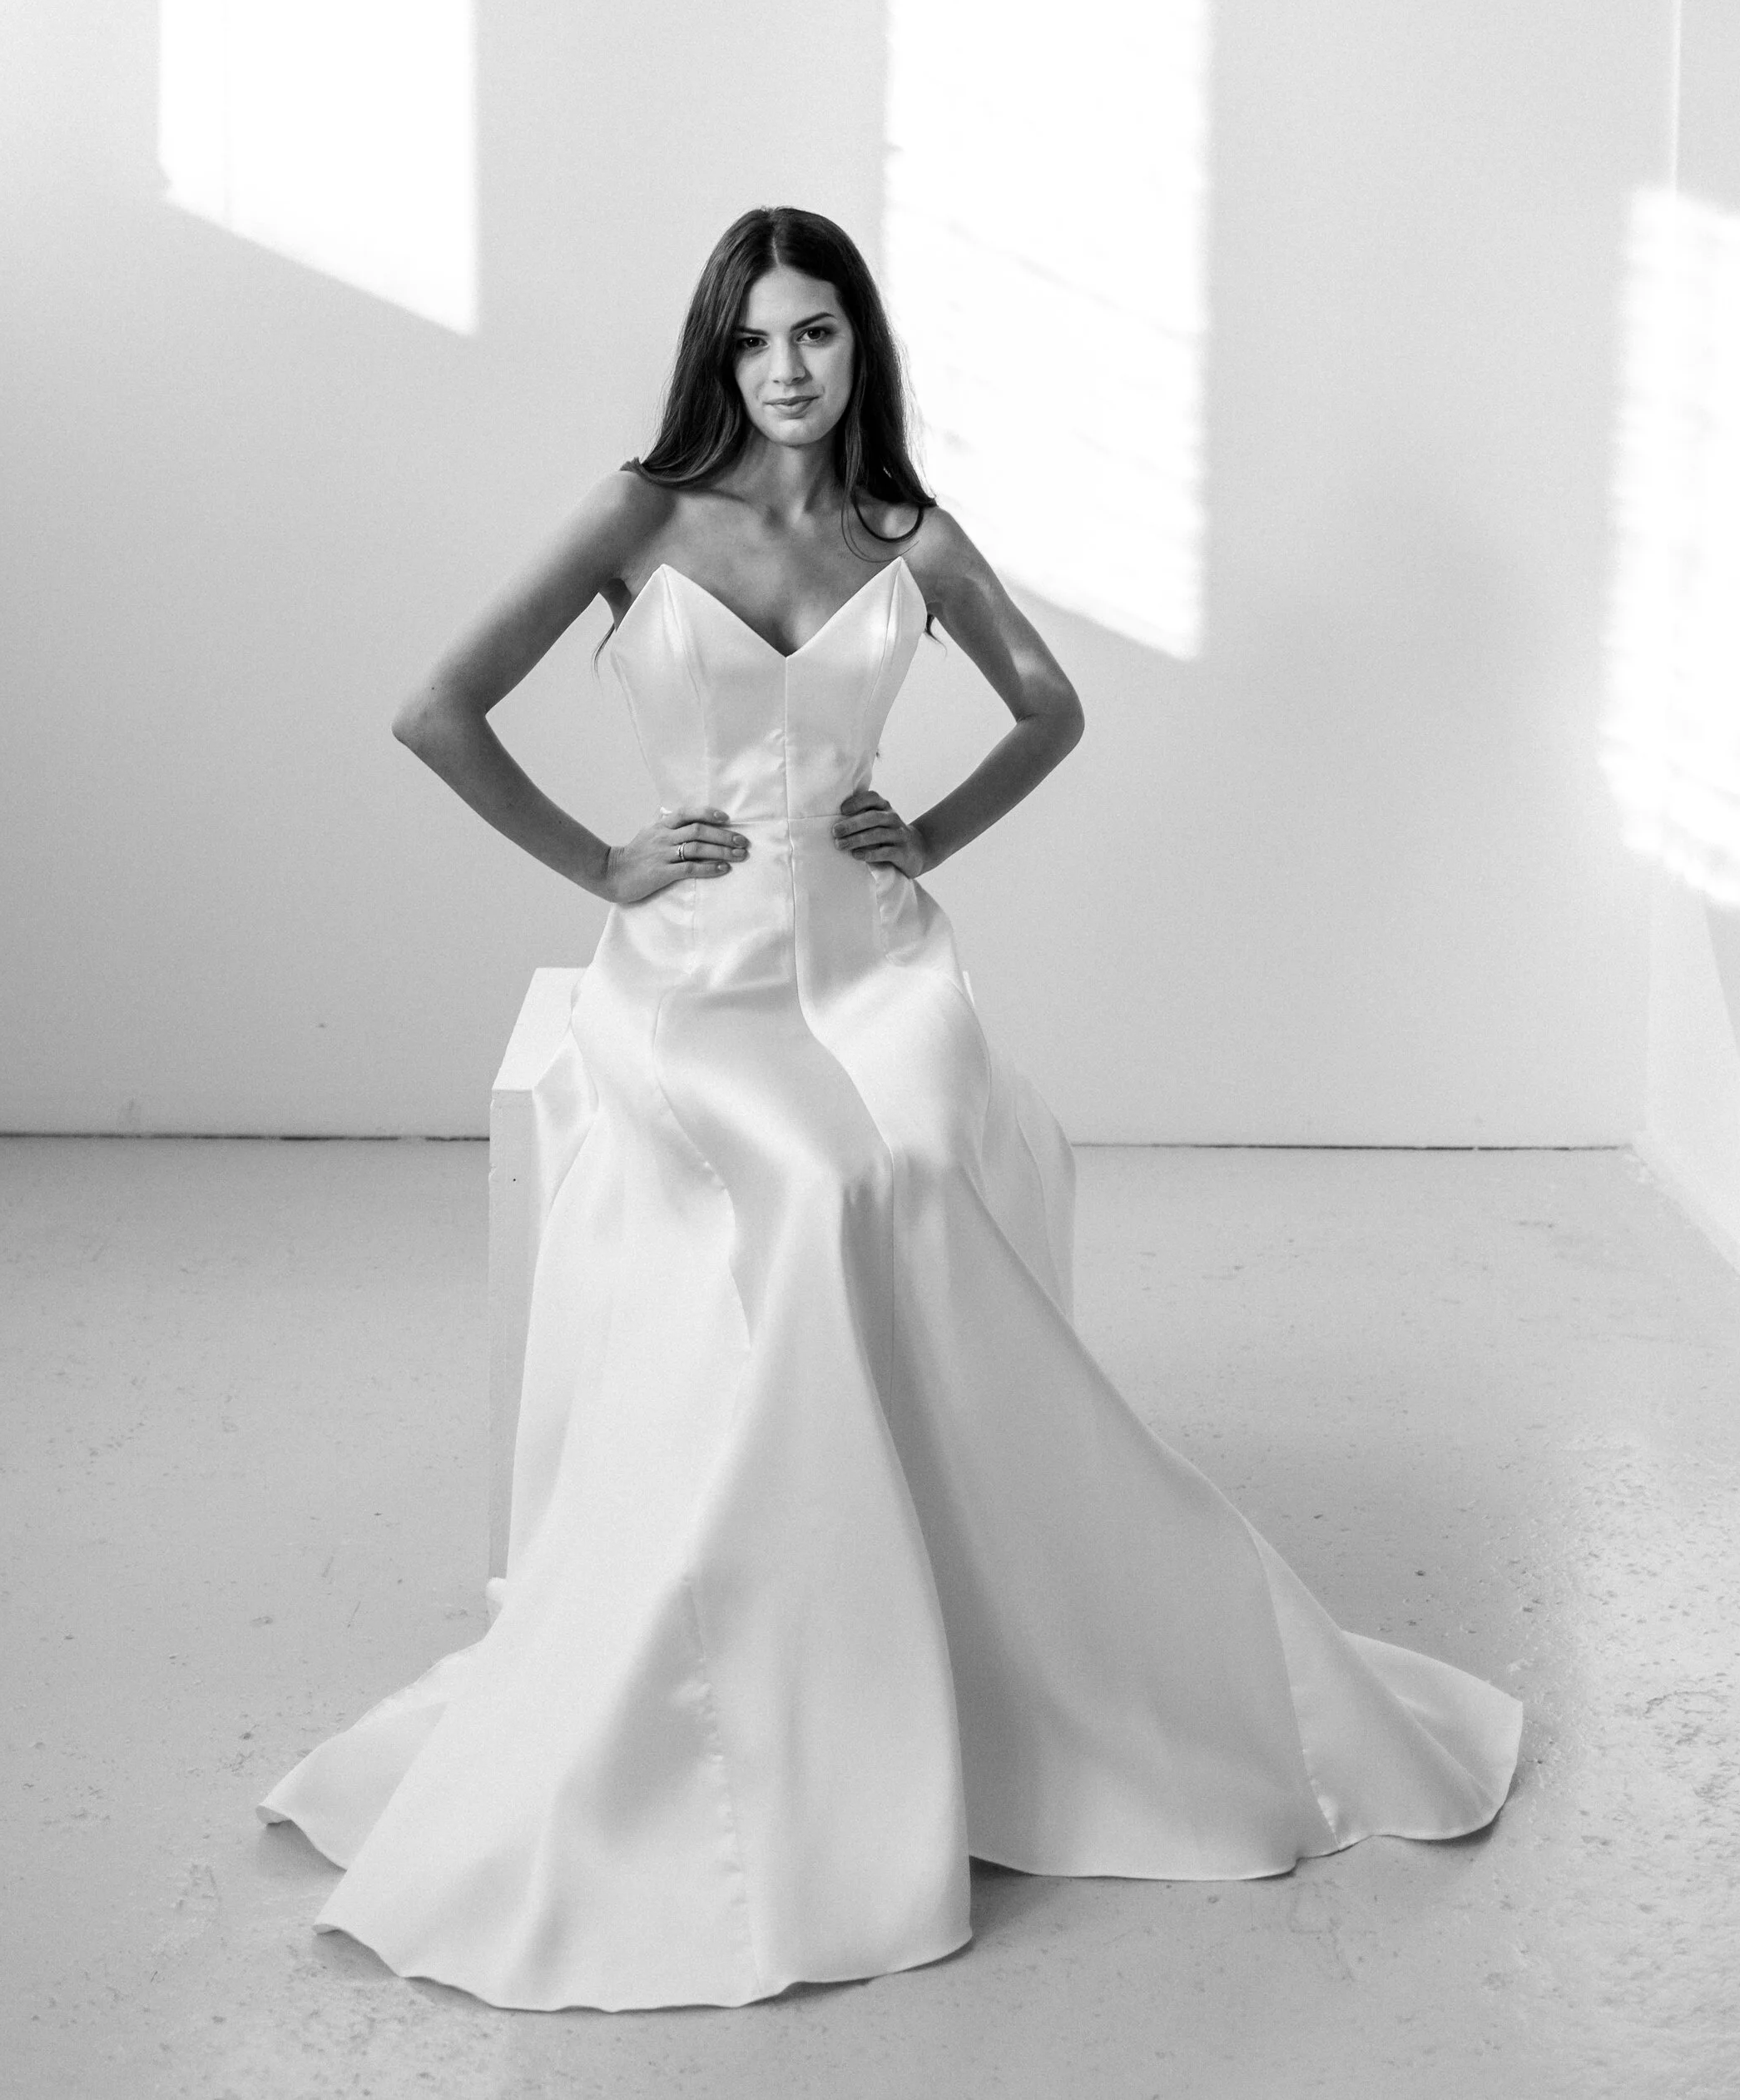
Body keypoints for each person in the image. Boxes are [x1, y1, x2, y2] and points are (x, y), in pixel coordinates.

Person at [260, 204, 1520, 2010]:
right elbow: (435, 708)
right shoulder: (638, 513)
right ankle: (781, 1667)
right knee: (802, 1180)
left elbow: (1049, 708)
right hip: (693, 973)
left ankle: (1004, 1641)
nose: (786, 368)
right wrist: (602, 863)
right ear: (716, 352)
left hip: (873, 961)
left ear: (860, 343)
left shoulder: (904, 534)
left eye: (817, 332)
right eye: (756, 337)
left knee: (917, 1149)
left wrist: (922, 834)